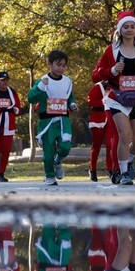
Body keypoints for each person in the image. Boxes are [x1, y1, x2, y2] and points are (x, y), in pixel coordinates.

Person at [92, 11, 135, 186]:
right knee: (125, 135)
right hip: (117, 97)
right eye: (126, 27)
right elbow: (96, 74)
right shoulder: (111, 50)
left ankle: (127, 161)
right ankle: (123, 174)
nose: (129, 30)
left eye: (132, 27)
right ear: (120, 30)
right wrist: (112, 70)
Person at [27, 50, 78, 186]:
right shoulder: (43, 80)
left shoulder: (67, 81)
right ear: (50, 64)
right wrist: (42, 86)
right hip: (47, 122)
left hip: (63, 121)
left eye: (64, 65)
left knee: (65, 147)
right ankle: (50, 175)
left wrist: (72, 104)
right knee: (48, 153)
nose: (61, 68)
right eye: (58, 64)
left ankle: (58, 161)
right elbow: (31, 98)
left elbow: (69, 97)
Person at [86, 81, 119, 183]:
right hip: (97, 118)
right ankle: (93, 170)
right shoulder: (97, 87)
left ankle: (110, 169)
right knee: (96, 146)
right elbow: (90, 101)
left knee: (110, 144)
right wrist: (103, 101)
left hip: (109, 117)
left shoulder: (115, 86)